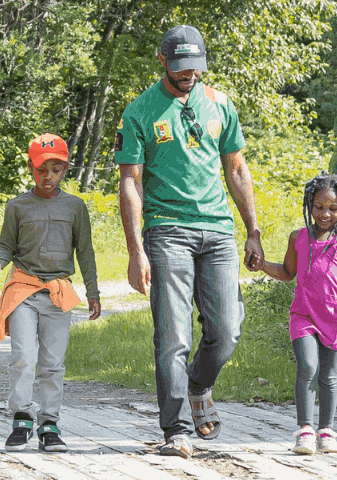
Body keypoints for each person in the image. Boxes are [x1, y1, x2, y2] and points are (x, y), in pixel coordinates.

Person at [114, 25, 267, 457]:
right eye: (180, 68)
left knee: (227, 330)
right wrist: (135, 250)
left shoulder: (219, 103)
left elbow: (236, 168)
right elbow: (130, 182)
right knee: (173, 335)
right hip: (167, 230)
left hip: (218, 230)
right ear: (162, 61)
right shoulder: (140, 111)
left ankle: (199, 384)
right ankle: (176, 429)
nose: (189, 75)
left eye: (196, 67)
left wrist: (253, 229)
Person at [0, 133, 102, 453]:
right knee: (24, 356)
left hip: (58, 293)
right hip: (23, 289)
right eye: (42, 169)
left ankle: (49, 423)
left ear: (65, 170)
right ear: (31, 168)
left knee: (53, 363)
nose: (48, 175)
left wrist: (93, 291)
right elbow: (6, 246)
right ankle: (21, 419)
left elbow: (85, 251)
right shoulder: (17, 206)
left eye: (56, 169)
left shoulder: (75, 206)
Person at [251, 173, 337, 455]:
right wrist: (262, 265)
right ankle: (305, 430)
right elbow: (287, 273)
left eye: (333, 208)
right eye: (319, 207)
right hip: (303, 316)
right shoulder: (298, 238)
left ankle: (326, 432)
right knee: (308, 368)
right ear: (309, 206)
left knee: (329, 375)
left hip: (334, 318)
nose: (325, 214)